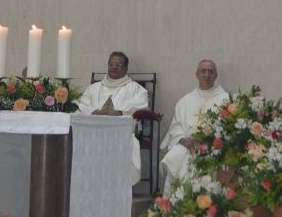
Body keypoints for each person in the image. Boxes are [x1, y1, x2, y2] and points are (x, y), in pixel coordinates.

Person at [76, 51, 150, 184]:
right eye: (111, 64)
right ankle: (88, 183)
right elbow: (81, 106)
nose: (114, 67)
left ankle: (120, 185)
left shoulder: (136, 89)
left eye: (118, 64)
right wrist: (94, 112)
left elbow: (141, 105)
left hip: (121, 134)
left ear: (126, 69)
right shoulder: (93, 88)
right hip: (93, 133)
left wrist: (120, 113)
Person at [159, 60, 228, 194]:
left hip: (212, 149)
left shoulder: (225, 99)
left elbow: (228, 128)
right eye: (203, 71)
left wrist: (208, 141)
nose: (207, 75)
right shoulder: (184, 101)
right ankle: (178, 206)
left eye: (211, 72)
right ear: (196, 74)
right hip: (188, 148)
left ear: (216, 76)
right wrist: (182, 140)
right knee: (180, 158)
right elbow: (176, 127)